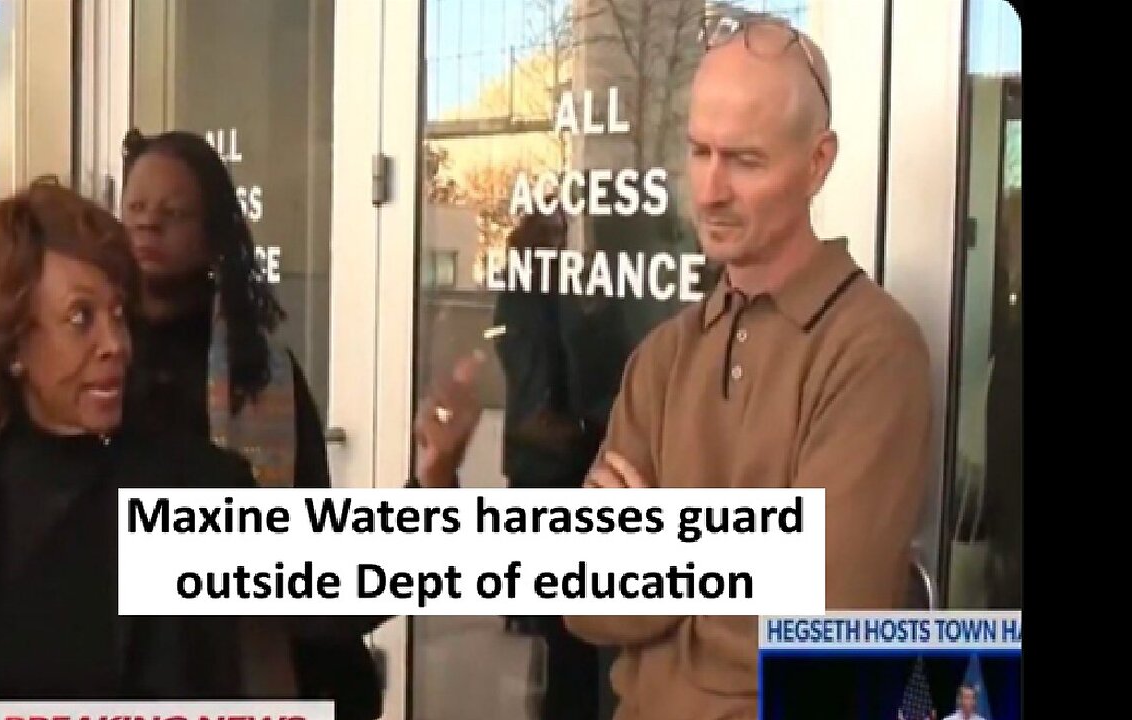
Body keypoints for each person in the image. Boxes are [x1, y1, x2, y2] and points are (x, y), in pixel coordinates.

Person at [563, 9, 933, 720]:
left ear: (817, 162)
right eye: (699, 151)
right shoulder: (663, 357)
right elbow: (584, 599)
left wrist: (656, 550)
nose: (709, 190)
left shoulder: (872, 354)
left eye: (744, 159)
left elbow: (817, 630)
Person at [117, 129, 482, 717]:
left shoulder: (260, 378)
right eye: (134, 208)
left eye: (172, 211)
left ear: (212, 233)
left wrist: (435, 484)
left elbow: (317, 574)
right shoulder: (86, 388)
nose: (147, 225)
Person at [0, 177, 255, 698]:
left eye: (119, 315)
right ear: (13, 342)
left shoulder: (187, 487)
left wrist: (434, 478)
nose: (115, 345)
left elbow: (335, 596)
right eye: (81, 318)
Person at [491, 207, 601, 720]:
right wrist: (586, 433)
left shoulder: (538, 302)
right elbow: (538, 402)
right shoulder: (529, 306)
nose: (563, 248)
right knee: (565, 639)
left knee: (559, 641)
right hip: (549, 471)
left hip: (540, 468)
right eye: (554, 237)